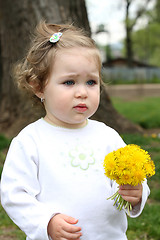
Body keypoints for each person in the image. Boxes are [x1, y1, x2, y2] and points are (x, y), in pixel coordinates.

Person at [0, 21, 150, 240]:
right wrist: (46, 222)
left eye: (91, 82)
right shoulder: (30, 141)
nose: (82, 92)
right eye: (69, 82)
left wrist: (136, 193)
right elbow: (15, 195)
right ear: (38, 86)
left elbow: (132, 178)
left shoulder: (107, 136)